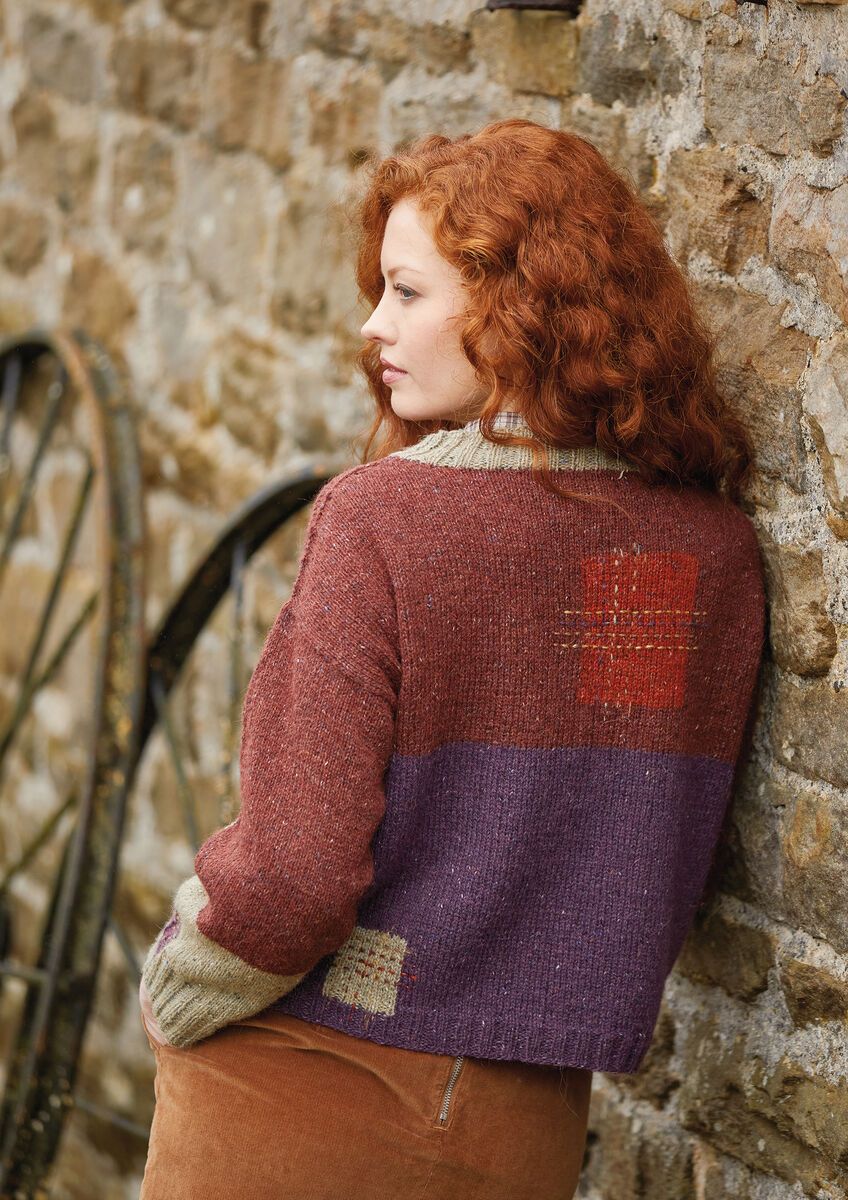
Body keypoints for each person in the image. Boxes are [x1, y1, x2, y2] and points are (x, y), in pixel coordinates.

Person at [137, 118, 766, 1200]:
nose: (372, 326)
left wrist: (185, 972)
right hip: (525, 1113)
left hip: (303, 1074)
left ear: (517, 304)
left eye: (406, 292)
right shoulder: (707, 552)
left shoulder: (384, 521)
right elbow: (635, 839)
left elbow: (294, 874)